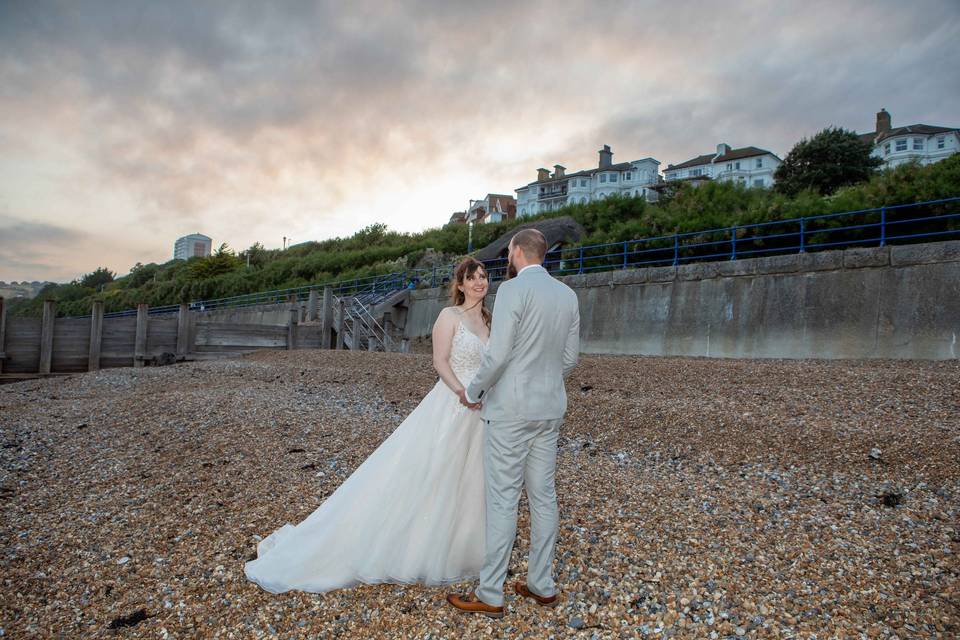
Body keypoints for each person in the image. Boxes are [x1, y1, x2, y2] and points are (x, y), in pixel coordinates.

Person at [244, 257, 492, 593]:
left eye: (483, 276)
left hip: (483, 411)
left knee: (470, 478)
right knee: (432, 472)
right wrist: (462, 392)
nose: (480, 282)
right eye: (472, 278)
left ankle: (463, 547)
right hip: (452, 403)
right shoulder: (449, 317)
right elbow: (440, 360)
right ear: (460, 285)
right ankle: (415, 545)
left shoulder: (490, 321)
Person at [446, 228, 580, 619]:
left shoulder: (512, 291)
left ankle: (491, 593)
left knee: (503, 499)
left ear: (517, 252)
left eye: (509, 252)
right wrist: (545, 380)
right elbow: (570, 357)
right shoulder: (568, 295)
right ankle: (542, 585)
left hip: (510, 411)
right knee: (543, 496)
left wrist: (473, 392)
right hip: (550, 407)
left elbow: (499, 354)